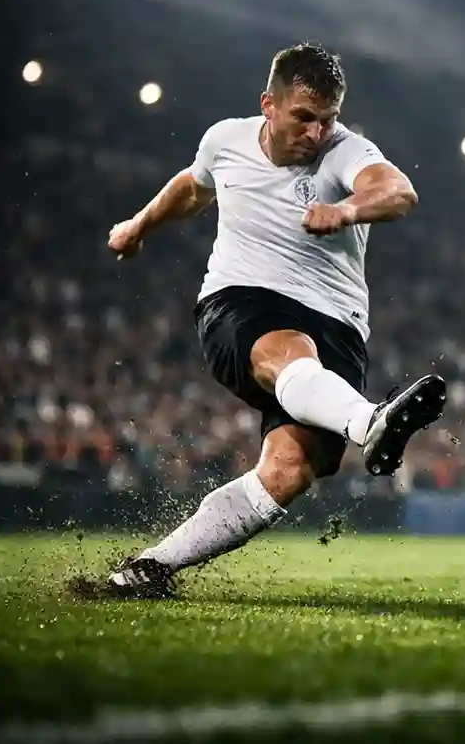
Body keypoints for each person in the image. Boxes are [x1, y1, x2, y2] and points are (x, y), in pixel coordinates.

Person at [97, 43, 447, 598]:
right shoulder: (226, 140)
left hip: (339, 323)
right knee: (288, 347)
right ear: (269, 104)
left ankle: (150, 566)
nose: (316, 132)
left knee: (288, 471)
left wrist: (349, 209)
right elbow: (194, 186)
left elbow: (398, 190)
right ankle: (369, 423)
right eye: (303, 117)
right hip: (242, 301)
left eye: (327, 119)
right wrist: (138, 225)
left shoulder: (345, 151)